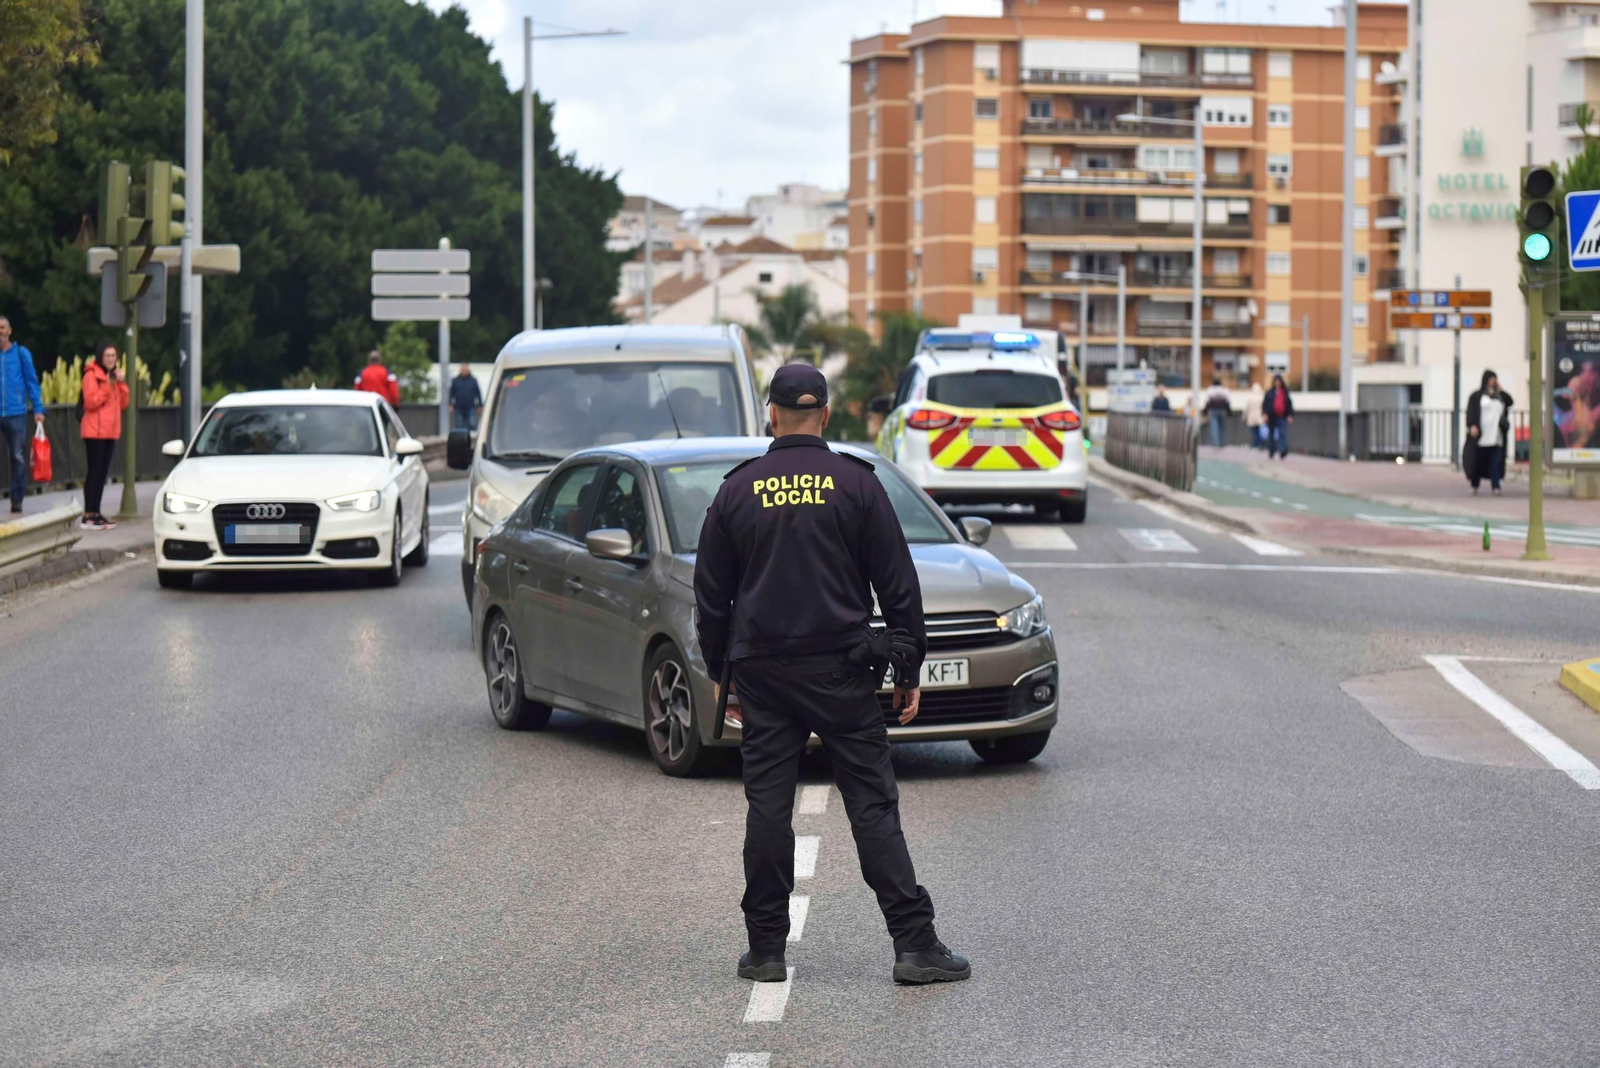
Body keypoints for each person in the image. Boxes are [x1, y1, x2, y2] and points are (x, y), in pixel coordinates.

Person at [695, 362, 968, 987]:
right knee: (872, 804)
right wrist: (907, 665)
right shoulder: (857, 483)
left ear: (771, 413)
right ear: (824, 414)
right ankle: (914, 945)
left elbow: (711, 594)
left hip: (763, 672)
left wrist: (721, 672)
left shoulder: (738, 489)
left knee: (768, 806)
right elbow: (899, 584)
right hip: (842, 671)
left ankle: (765, 951)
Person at [79, 341, 130, 530]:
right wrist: (108, 386)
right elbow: (91, 402)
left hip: (110, 431)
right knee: (94, 471)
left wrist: (121, 383)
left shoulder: (114, 377)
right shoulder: (91, 375)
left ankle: (97, 511)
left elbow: (123, 403)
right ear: (100, 357)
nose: (110, 359)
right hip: (94, 431)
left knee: (102, 473)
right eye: (107, 356)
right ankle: (88, 513)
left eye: (113, 356)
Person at [0, 314, 45, 514]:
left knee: (17, 457)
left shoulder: (20, 353)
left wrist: (38, 409)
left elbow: (32, 382)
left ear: (9, 331)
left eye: (2, 328)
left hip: (16, 413)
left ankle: (17, 499)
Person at [1464, 370, 1513, 496]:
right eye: (1491, 379)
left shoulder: (1499, 396)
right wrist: (1472, 425)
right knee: (1478, 461)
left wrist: (1501, 391)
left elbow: (1510, 401)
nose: (1493, 382)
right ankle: (1475, 484)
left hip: (1496, 436)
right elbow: (1471, 411)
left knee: (1495, 462)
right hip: (1481, 436)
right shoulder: (1477, 396)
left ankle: (1496, 486)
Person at [1261, 374, 1294, 459]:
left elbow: (1289, 404)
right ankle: (1271, 451)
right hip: (1271, 416)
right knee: (1271, 434)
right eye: (1276, 381)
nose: (1277, 383)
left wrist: (1290, 415)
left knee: (1282, 433)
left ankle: (1283, 450)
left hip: (1281, 416)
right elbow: (1265, 404)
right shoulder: (1269, 393)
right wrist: (1265, 414)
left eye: (1278, 381)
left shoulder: (1285, 393)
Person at [448, 364, 482, 431]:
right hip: (459, 406)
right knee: (459, 425)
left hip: (471, 406)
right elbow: (451, 393)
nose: (464, 371)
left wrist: (479, 405)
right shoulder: (456, 380)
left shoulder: (473, 380)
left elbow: (478, 393)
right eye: (463, 370)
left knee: (472, 424)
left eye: (465, 370)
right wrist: (450, 404)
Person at [1204, 379, 1231, 448]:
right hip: (1222, 410)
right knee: (1222, 428)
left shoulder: (1210, 390)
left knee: (1214, 428)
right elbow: (1228, 401)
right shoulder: (1224, 390)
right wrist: (1229, 411)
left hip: (1212, 410)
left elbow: (1207, 401)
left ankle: (1215, 444)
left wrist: (1205, 411)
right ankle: (1221, 443)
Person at [1245, 382, 1266, 449]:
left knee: (1254, 432)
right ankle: (1259, 445)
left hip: (1251, 417)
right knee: (1261, 432)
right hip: (1260, 417)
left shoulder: (1250, 397)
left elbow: (1246, 409)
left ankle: (1255, 445)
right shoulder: (1262, 397)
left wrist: (1244, 417)